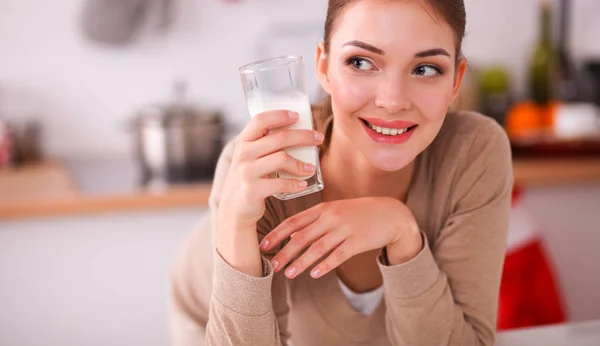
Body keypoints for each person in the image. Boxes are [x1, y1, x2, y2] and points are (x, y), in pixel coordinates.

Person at [169, 0, 513, 345]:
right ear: (324, 66)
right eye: (361, 62)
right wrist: (235, 226)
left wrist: (402, 233)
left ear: (456, 81)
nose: (393, 101)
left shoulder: (474, 153)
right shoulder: (267, 170)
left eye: (425, 69)